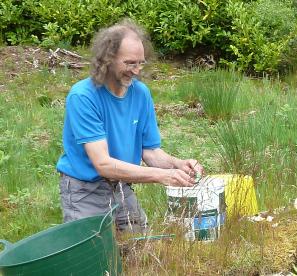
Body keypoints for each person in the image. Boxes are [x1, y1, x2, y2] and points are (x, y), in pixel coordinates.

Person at [56, 19, 204, 234]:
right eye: (129, 63)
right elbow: (103, 164)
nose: (136, 71)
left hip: (121, 186)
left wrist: (177, 165)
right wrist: (161, 176)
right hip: (84, 190)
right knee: (93, 258)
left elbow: (150, 151)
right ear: (107, 59)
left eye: (140, 63)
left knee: (138, 252)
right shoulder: (83, 96)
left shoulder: (141, 93)